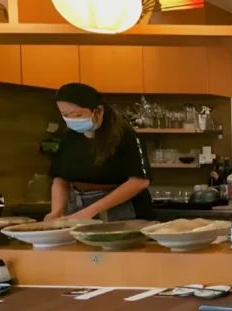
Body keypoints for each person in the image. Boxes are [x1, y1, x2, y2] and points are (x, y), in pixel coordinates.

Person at [47, 83, 154, 221]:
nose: (72, 120)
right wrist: (56, 212)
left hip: (123, 211)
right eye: (65, 115)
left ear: (98, 110)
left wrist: (90, 212)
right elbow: (60, 179)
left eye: (78, 114)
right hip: (78, 208)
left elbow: (139, 181)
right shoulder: (69, 137)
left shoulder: (126, 135)